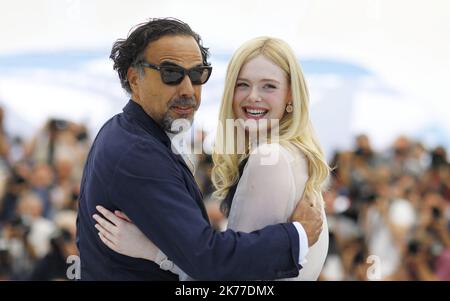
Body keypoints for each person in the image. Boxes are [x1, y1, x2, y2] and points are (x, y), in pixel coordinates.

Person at [77, 18, 323, 281]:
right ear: (134, 79)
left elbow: (221, 272)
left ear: (291, 96)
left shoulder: (269, 159)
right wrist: (297, 237)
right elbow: (212, 263)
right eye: (170, 73)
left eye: (197, 75)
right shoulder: (137, 151)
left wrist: (155, 253)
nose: (187, 89)